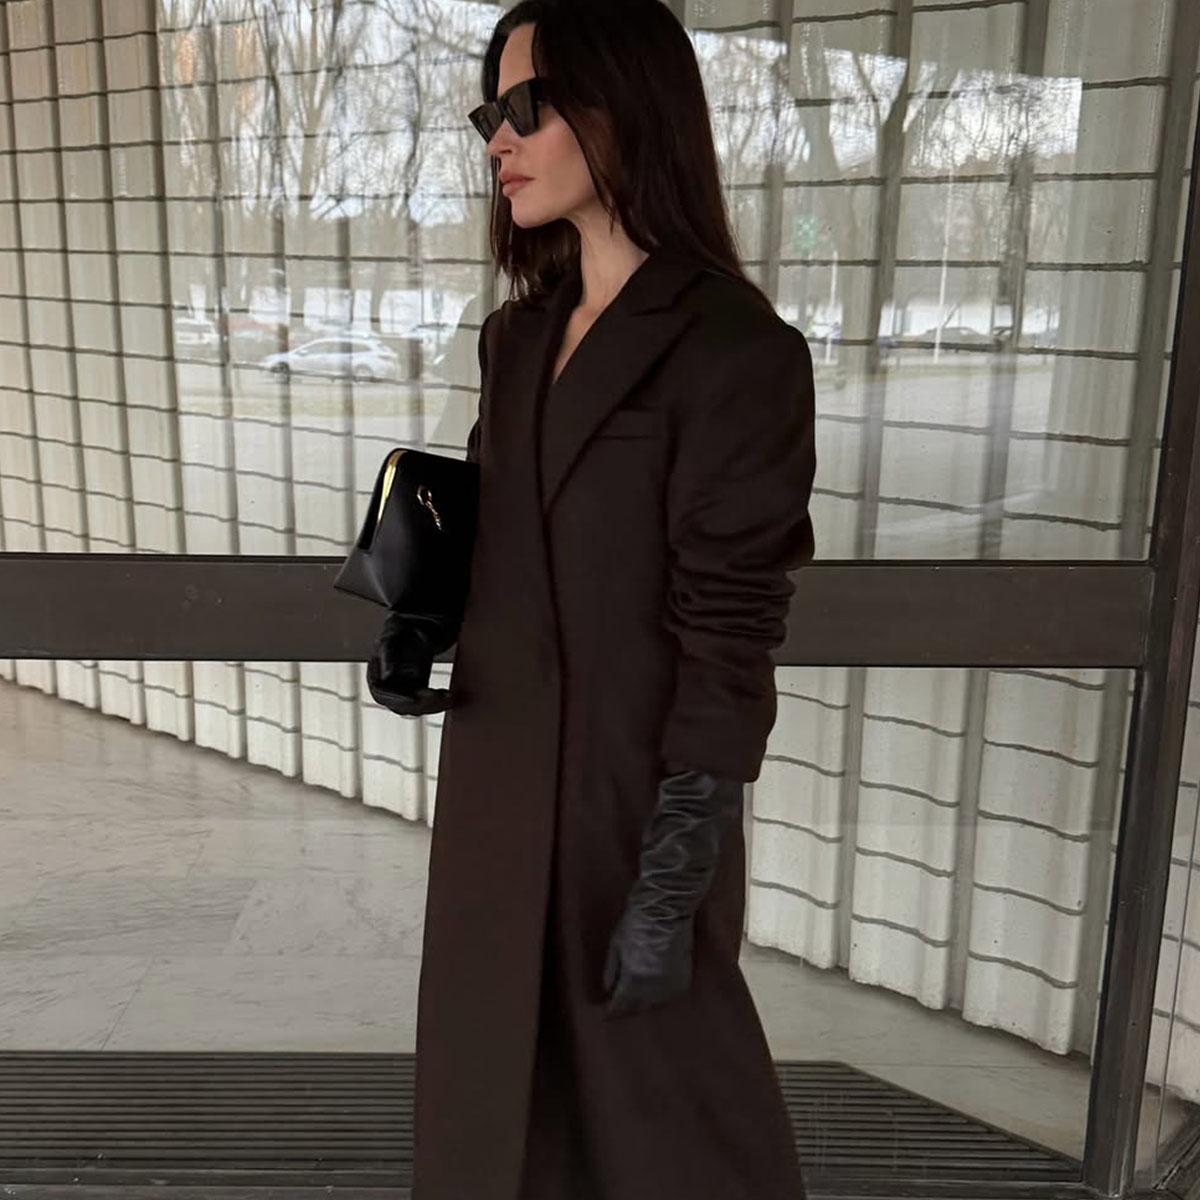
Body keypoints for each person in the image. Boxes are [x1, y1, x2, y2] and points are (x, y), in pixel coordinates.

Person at [368, 1, 817, 1196]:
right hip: (496, 792)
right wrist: (421, 622)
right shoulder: (517, 337)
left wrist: (678, 870)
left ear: (624, 114)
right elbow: (499, 526)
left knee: (671, 1126)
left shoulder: (736, 349)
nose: (498, 139)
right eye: (489, 112)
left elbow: (731, 632)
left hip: (633, 814)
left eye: (526, 108)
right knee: (493, 1119)